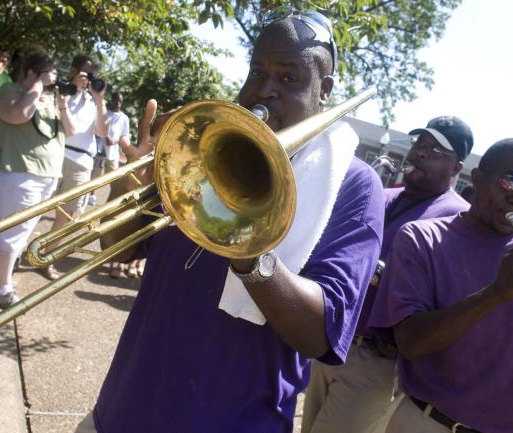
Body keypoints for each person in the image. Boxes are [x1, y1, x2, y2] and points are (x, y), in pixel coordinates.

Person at [76, 9, 385, 433]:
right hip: (121, 412)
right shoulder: (204, 144)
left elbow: (319, 335)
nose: (265, 89)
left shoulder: (354, 183)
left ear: (324, 89)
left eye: (289, 78)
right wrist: (130, 184)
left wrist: (250, 248)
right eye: (257, 72)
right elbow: (119, 246)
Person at [371, 137, 513, 433]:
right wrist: (495, 294)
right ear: (478, 178)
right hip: (427, 422)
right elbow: (411, 343)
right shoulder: (422, 238)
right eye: (510, 182)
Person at [302, 115, 473, 433]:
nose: (421, 153)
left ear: (457, 169)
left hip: (378, 359)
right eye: (420, 144)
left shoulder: (458, 217)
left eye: (436, 151)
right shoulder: (383, 194)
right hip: (332, 343)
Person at [0, 47, 70, 307]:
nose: (52, 80)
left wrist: (61, 102)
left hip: (46, 175)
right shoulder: (10, 92)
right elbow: (19, 115)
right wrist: (38, 87)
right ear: (30, 73)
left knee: (14, 228)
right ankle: (4, 290)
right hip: (17, 172)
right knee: (15, 232)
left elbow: (70, 131)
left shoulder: (49, 98)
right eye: (47, 75)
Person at [43, 54, 107, 280]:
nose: (88, 78)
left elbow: (102, 133)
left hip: (82, 162)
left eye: (91, 75)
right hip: (55, 154)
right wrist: (72, 90)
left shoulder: (94, 100)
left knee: (68, 215)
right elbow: (64, 126)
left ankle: (46, 258)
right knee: (35, 207)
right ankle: (17, 252)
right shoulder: (59, 91)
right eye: (84, 73)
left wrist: (99, 100)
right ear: (73, 70)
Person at [89, 90, 129, 207]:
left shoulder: (124, 118)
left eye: (120, 101)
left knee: (114, 178)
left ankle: (112, 199)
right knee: (95, 175)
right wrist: (105, 136)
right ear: (112, 100)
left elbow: (124, 136)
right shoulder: (104, 114)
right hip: (100, 151)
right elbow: (96, 128)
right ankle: (91, 196)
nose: (117, 103)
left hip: (113, 153)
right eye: (115, 100)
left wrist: (114, 140)